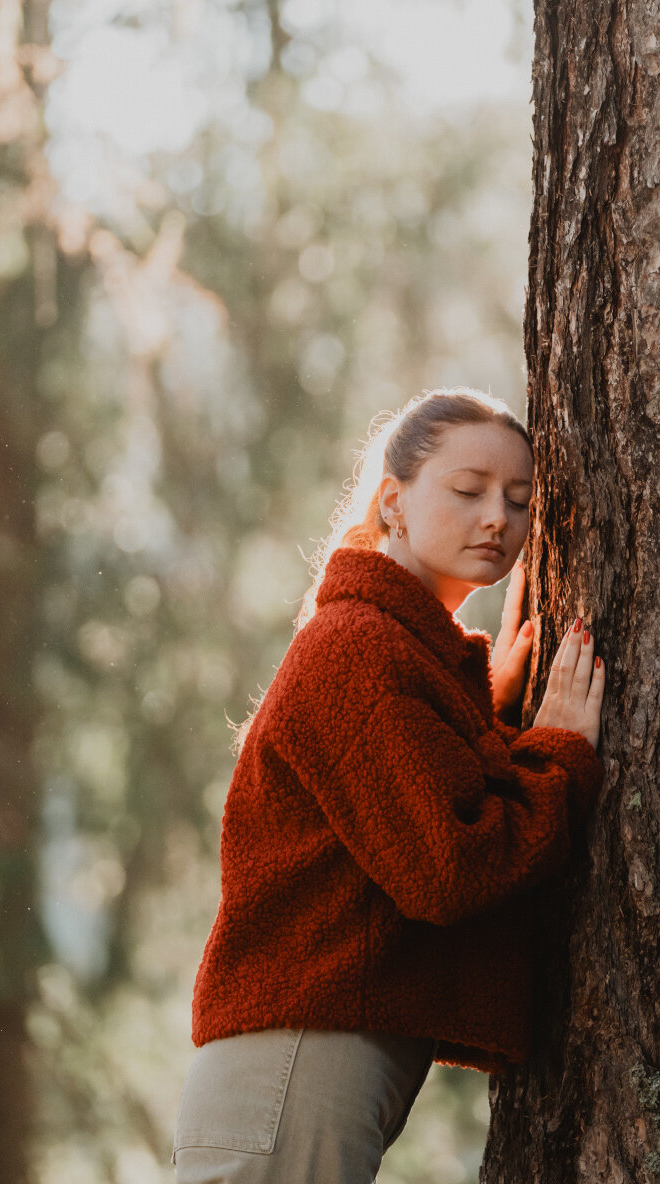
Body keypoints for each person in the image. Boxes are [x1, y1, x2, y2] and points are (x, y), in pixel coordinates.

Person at [172, 387, 607, 1183]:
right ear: (392, 501)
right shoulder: (358, 650)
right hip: (294, 1059)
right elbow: (449, 866)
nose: (498, 519)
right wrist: (557, 759)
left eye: (519, 499)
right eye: (468, 490)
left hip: (301, 1060)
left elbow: (408, 808)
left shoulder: (401, 652)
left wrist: (490, 727)